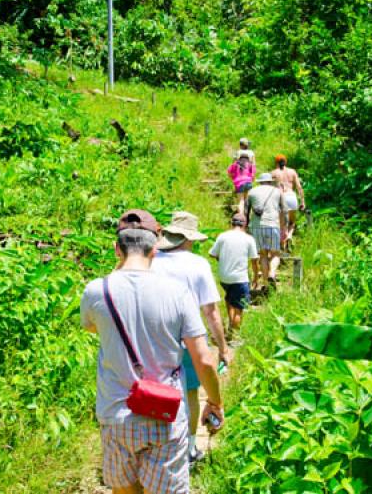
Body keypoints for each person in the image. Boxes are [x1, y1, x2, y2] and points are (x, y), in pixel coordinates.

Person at [80, 209, 224, 494]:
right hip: (166, 415)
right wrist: (216, 402)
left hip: (115, 414)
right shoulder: (177, 292)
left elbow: (93, 328)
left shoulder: (97, 291)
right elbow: (204, 359)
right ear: (155, 247)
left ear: (116, 249)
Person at [150, 211, 230, 465]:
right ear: (189, 238)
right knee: (190, 393)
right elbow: (211, 312)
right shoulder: (198, 264)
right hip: (189, 337)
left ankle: (155, 444)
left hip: (154, 335)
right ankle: (189, 447)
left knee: (156, 388)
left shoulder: (151, 261)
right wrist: (222, 347)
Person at [209, 213, 259, 335]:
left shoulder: (223, 236)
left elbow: (212, 253)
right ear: (245, 225)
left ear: (231, 223)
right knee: (239, 309)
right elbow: (254, 260)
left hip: (224, 278)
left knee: (230, 300)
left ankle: (231, 326)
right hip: (240, 279)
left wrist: (223, 260)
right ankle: (234, 336)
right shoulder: (249, 239)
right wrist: (256, 277)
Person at [245, 173, 286, 290]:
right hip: (273, 224)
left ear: (260, 182)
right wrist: (284, 228)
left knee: (262, 254)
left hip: (256, 226)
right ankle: (272, 273)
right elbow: (285, 210)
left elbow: (246, 211)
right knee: (275, 253)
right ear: (270, 181)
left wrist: (246, 227)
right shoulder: (277, 191)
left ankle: (266, 283)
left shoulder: (251, 192)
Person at [270, 154, 305, 245]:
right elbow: (299, 187)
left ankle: (281, 244)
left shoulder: (273, 173)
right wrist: (302, 202)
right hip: (292, 197)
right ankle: (289, 236)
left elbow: (270, 189)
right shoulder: (292, 171)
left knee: (280, 223)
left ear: (276, 163)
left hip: (281, 198)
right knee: (292, 222)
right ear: (285, 162)